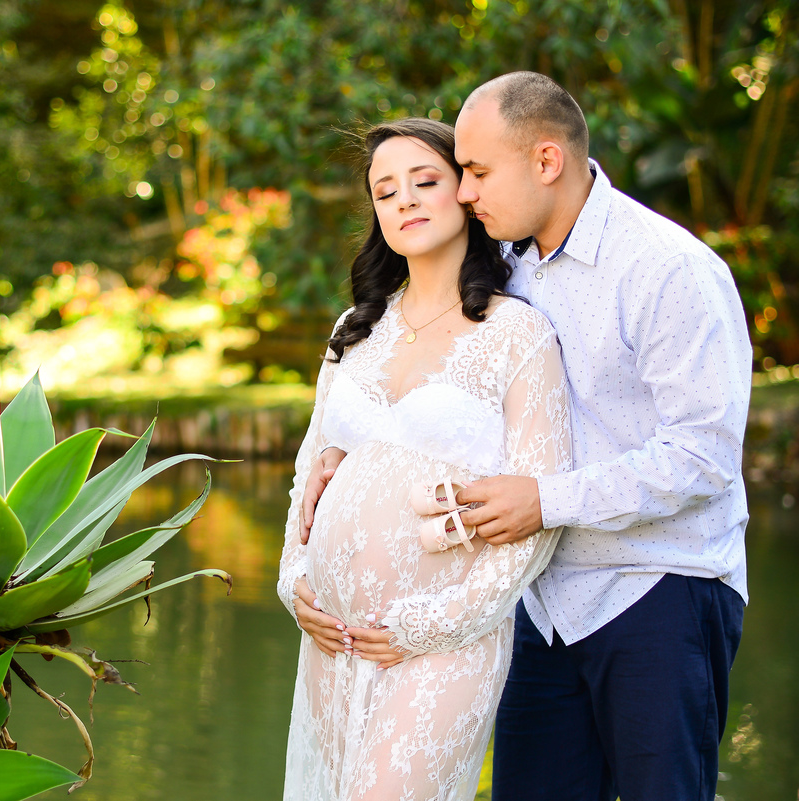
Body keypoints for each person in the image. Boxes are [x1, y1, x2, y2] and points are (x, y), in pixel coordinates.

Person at [450, 72, 752, 801]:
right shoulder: (510, 272)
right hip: (546, 606)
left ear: (546, 161)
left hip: (661, 589)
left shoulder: (667, 269)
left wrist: (547, 501)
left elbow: (701, 456)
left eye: (478, 171)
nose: (464, 193)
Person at [276, 116, 572, 801]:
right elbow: (306, 477)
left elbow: (539, 513)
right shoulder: (354, 331)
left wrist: (424, 626)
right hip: (333, 635)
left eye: (424, 181)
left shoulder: (516, 334)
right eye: (385, 191)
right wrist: (296, 584)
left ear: (465, 193)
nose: (403, 200)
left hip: (443, 643)